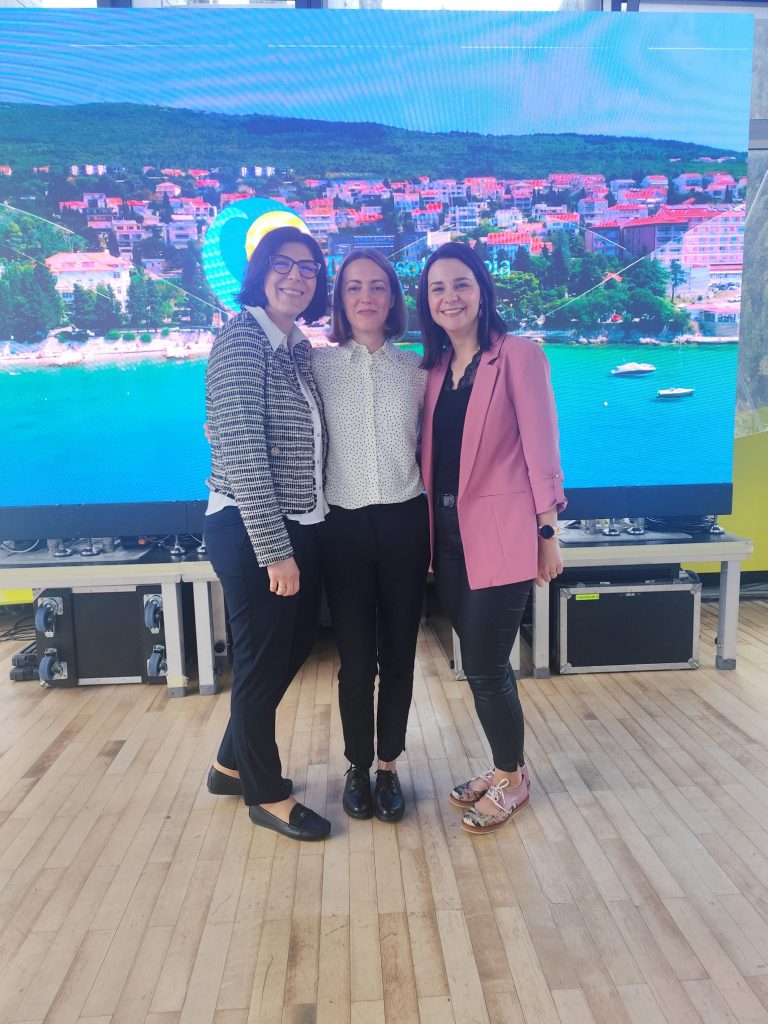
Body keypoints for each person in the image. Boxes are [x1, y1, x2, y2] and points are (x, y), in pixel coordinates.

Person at [417, 241, 566, 836]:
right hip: (447, 539)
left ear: (482, 291)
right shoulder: (433, 371)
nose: (449, 297)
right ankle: (505, 767)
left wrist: (548, 533)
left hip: (504, 536)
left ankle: (514, 778)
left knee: (481, 664)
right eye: (437, 288)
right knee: (483, 664)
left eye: (461, 284)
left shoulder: (519, 356)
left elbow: (541, 449)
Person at [203, 225, 332, 842]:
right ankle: (265, 793)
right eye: (283, 264)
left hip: (298, 524)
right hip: (251, 528)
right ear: (259, 272)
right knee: (259, 662)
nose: (296, 277)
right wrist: (275, 550)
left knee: (293, 645)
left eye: (308, 268)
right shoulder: (242, 339)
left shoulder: (295, 346)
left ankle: (231, 764)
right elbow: (243, 451)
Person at [313, 249, 429, 823]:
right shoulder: (317, 366)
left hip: (406, 522)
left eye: (378, 286)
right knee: (356, 660)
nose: (366, 297)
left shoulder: (417, 371)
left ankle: (388, 766)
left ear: (392, 298)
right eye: (354, 286)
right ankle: (356, 765)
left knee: (400, 654)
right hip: (344, 527)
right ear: (340, 298)